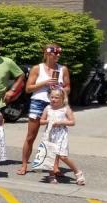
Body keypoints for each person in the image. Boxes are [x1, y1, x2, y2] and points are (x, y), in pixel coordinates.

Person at [18, 44, 71, 176]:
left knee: (55, 137)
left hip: (55, 104)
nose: (58, 55)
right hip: (38, 102)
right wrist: (45, 83)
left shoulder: (62, 69)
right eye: (55, 53)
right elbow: (28, 88)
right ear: (47, 54)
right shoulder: (37, 68)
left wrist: (60, 89)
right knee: (31, 136)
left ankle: (55, 166)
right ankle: (24, 164)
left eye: (60, 53)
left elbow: (68, 87)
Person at [40, 87, 84, 185]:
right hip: (50, 134)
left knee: (63, 156)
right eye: (52, 97)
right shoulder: (48, 108)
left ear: (62, 98)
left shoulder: (65, 109)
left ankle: (78, 172)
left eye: (56, 97)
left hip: (61, 135)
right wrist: (48, 121)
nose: (53, 99)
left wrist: (61, 122)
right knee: (50, 155)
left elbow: (72, 122)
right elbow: (41, 121)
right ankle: (51, 176)